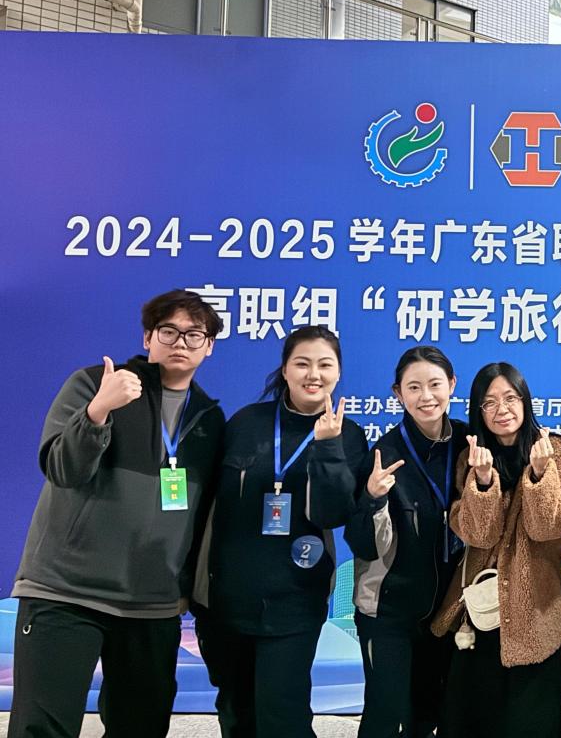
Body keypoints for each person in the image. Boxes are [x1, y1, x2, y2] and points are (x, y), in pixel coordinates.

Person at [9, 289, 225, 738]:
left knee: (141, 728)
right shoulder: (95, 384)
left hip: (152, 605)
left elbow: (201, 519)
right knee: (42, 728)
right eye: (169, 331)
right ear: (148, 337)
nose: (180, 342)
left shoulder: (209, 420)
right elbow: (62, 469)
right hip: (66, 593)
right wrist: (98, 411)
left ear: (209, 346)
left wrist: (185, 590)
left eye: (194, 334)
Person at [195, 324, 365, 737]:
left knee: (283, 714)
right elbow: (207, 505)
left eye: (325, 365)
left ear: (338, 373)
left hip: (296, 597)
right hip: (229, 597)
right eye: (302, 363)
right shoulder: (246, 423)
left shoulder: (348, 435)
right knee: (236, 711)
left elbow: (331, 514)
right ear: (285, 370)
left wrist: (327, 446)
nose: (313, 374)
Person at [431, 362, 561, 738]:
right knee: (475, 719)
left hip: (535, 611)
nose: (502, 409)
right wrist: (482, 480)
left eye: (510, 398)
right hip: (481, 611)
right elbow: (478, 535)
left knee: (531, 722)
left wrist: (540, 474)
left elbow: (549, 527)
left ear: (525, 401)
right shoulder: (470, 457)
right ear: (478, 411)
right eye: (490, 402)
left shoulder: (556, 451)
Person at [345, 346, 469, 738]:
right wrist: (373, 498)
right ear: (398, 393)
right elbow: (363, 545)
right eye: (413, 387)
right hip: (389, 610)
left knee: (428, 714)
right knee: (386, 714)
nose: (426, 396)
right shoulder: (384, 454)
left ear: (452, 385)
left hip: (446, 609)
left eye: (435, 384)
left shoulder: (468, 444)